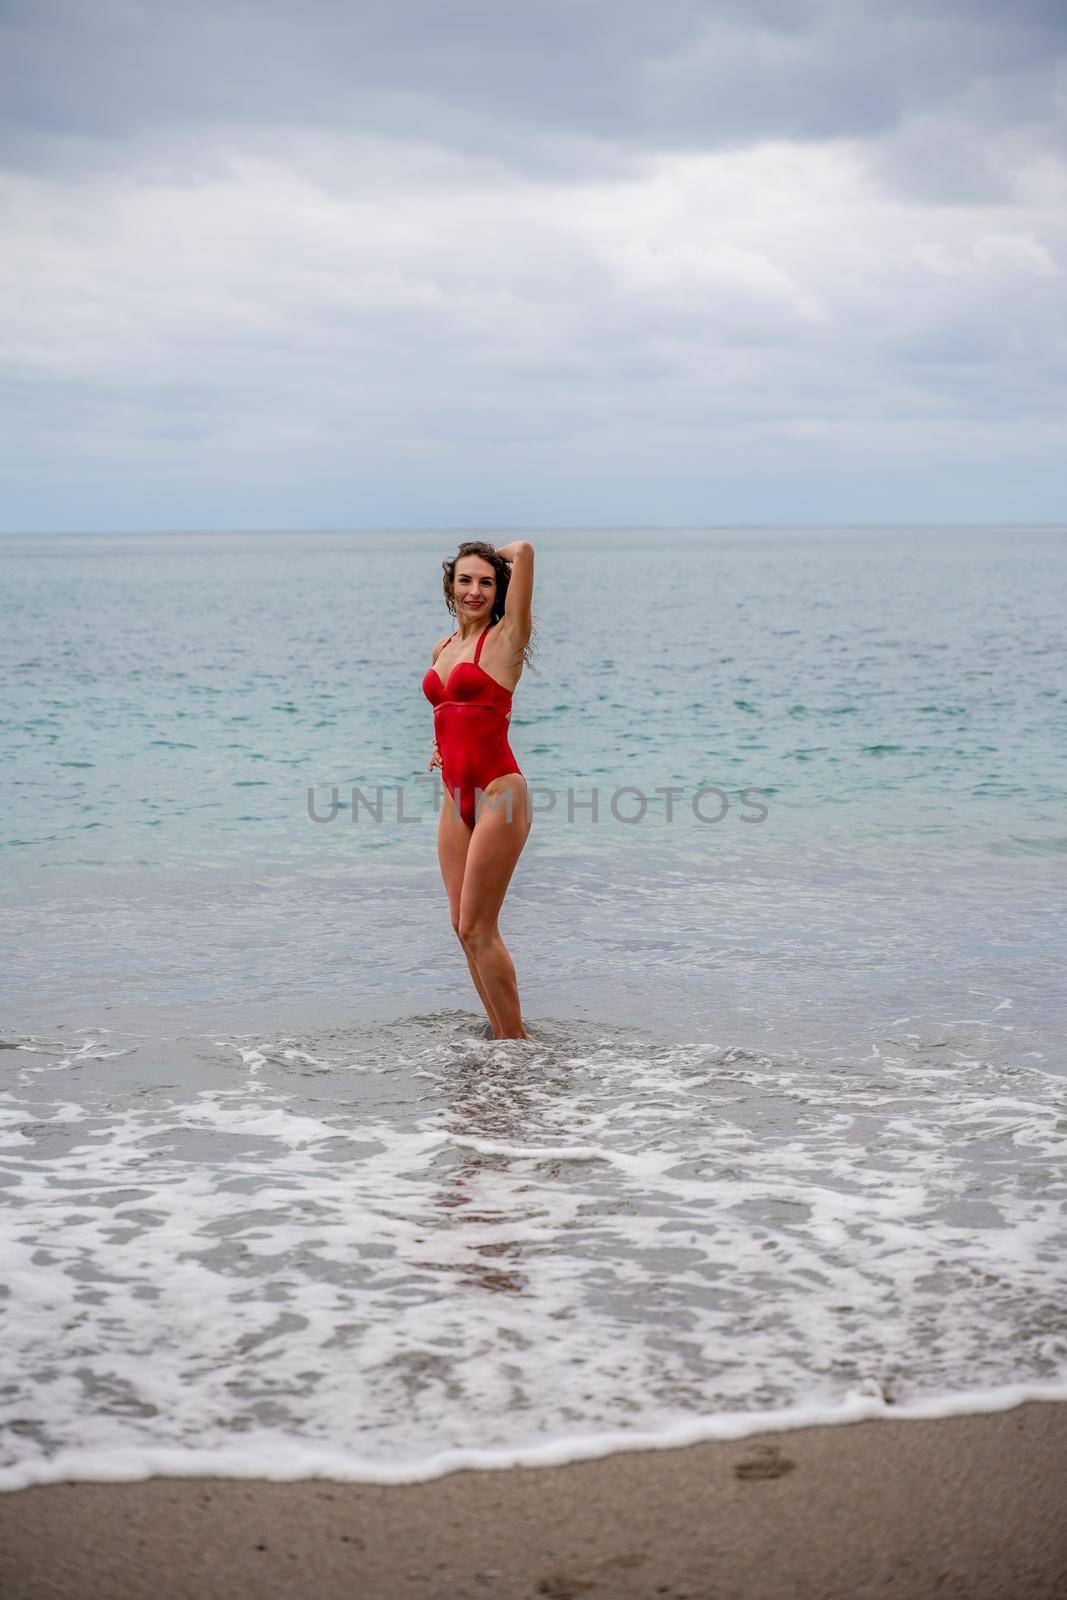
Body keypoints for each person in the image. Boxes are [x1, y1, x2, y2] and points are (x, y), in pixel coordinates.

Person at [422, 540, 535, 1040]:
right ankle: (498, 1038)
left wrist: (492, 551)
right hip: (455, 797)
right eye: (465, 580)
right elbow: (446, 709)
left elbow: (526, 551)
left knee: (478, 927)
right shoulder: (443, 649)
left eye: (486, 582)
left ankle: (517, 1046)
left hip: (499, 793)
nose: (475, 591)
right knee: (460, 928)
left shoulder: (507, 637)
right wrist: (437, 744)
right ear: (450, 587)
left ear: (499, 590)